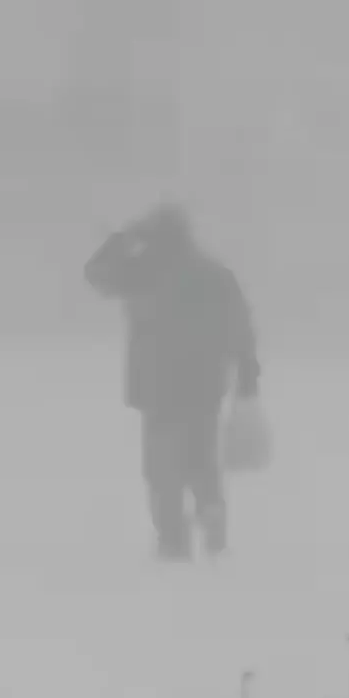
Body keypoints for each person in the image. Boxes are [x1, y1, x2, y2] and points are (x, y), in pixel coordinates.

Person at [83, 202, 261, 561]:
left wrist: (122, 240)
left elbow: (95, 275)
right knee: (202, 458)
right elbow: (240, 325)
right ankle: (211, 513)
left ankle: (172, 541)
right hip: (204, 384)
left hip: (157, 387)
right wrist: (247, 375)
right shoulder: (214, 274)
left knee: (162, 468)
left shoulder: (141, 271)